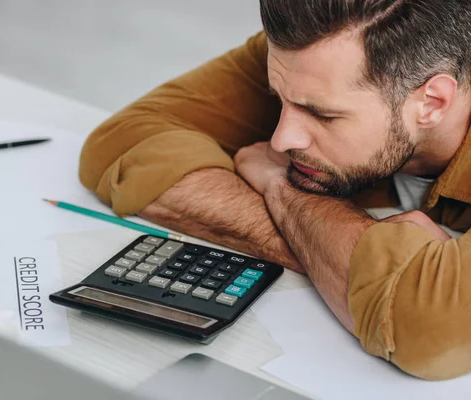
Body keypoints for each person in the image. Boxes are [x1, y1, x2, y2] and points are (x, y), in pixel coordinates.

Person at [79, 0, 471, 381]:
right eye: (277, 101)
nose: (281, 140)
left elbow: (425, 329)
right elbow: (120, 141)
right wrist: (329, 245)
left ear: (433, 101)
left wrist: (281, 187)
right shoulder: (316, 57)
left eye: (322, 115)